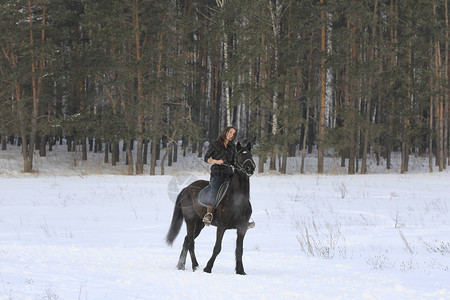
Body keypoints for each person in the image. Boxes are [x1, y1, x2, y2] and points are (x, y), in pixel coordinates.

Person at [203, 126, 237, 225]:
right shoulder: (215, 144)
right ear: (226, 132)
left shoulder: (232, 146)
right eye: (230, 132)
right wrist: (216, 161)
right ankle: (209, 214)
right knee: (215, 190)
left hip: (229, 173)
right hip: (217, 173)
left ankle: (241, 216)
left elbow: (233, 161)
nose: (231, 135)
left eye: (233, 134)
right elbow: (206, 158)